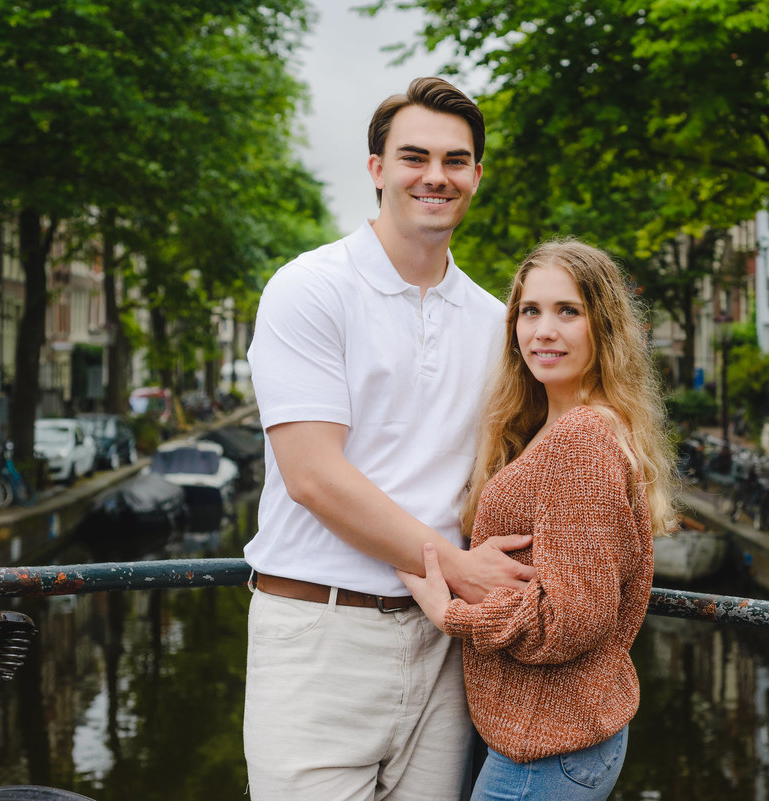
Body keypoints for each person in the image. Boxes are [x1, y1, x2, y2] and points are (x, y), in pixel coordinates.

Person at [242, 77, 536, 801]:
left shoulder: (496, 322)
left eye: (456, 160)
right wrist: (461, 567)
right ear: (377, 170)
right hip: (319, 632)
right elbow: (313, 476)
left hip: (443, 642)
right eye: (414, 156)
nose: (436, 176)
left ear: (475, 176)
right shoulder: (310, 289)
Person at [398, 239, 679, 801]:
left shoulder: (581, 440)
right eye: (530, 311)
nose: (543, 331)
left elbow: (570, 620)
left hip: (548, 749)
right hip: (549, 734)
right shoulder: (552, 427)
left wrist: (452, 610)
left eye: (567, 311)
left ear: (603, 326)